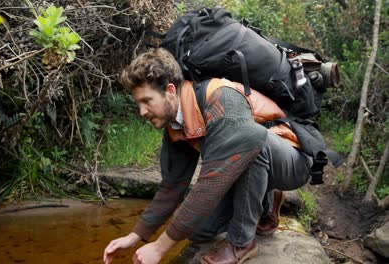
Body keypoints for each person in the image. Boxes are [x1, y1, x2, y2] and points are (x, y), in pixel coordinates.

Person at [103, 48, 312, 264]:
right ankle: (265, 200)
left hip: (293, 160)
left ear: (171, 90)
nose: (142, 111)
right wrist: (135, 235)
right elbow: (171, 187)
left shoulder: (221, 99)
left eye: (147, 101)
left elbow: (210, 185)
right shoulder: (175, 124)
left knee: (249, 143)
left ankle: (241, 243)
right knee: (199, 231)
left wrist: (159, 247)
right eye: (139, 103)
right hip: (251, 160)